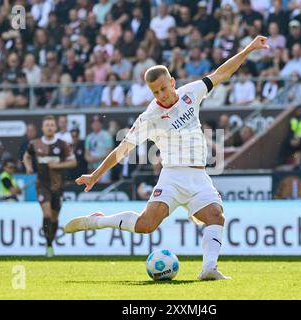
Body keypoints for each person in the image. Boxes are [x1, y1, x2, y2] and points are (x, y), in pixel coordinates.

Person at [64, 35, 269, 280]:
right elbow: (123, 149)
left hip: (198, 175)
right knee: (145, 226)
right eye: (155, 92)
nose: (161, 94)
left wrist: (248, 49)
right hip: (172, 176)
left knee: (216, 215)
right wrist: (95, 175)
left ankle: (208, 269)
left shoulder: (190, 93)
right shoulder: (150, 117)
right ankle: (98, 221)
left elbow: (221, 73)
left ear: (172, 82)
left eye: (163, 88)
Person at [23, 115, 76, 257]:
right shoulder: (35, 144)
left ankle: (50, 243)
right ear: (42, 128)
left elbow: (73, 162)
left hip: (58, 186)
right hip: (42, 185)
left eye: (52, 125)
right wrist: (28, 167)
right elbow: (26, 156)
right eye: (47, 125)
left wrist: (58, 165)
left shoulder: (63, 144)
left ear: (55, 127)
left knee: (54, 217)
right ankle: (48, 245)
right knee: (46, 213)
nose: (49, 127)